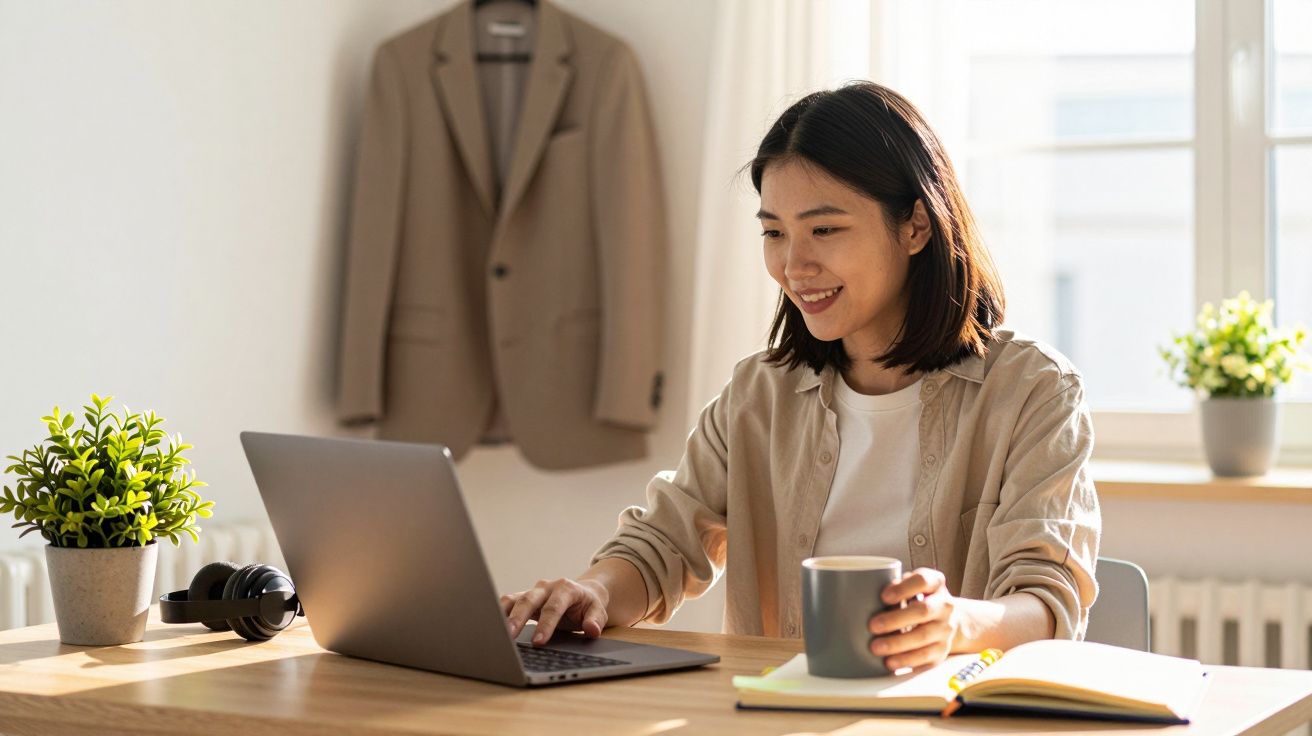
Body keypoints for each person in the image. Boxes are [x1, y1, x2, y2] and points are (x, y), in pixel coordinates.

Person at [501, 82, 1101, 674]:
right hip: (774, 716)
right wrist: (596, 592)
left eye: (825, 229)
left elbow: (1046, 603)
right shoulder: (758, 396)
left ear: (916, 226)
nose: (793, 265)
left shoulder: (1032, 391)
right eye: (774, 232)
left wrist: (956, 624)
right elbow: (664, 543)